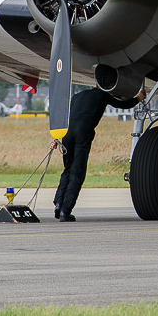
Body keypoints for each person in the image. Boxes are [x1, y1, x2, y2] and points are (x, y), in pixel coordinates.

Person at [53, 86, 144, 221]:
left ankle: (59, 203)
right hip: (82, 133)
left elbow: (64, 116)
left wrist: (56, 138)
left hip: (66, 133)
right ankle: (66, 211)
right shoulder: (102, 95)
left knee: (68, 168)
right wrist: (138, 98)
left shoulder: (78, 96)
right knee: (77, 171)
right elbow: (123, 105)